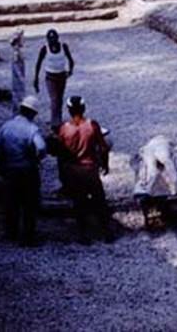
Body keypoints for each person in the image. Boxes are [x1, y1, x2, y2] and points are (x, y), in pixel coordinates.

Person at [57, 96, 112, 244]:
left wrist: (62, 175)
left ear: (68, 110)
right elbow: (103, 148)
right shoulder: (92, 125)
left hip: (73, 171)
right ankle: (107, 232)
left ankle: (83, 235)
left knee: (79, 202)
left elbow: (60, 153)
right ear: (83, 109)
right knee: (99, 201)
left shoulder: (64, 129)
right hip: (90, 169)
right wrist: (105, 165)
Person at [0, 96, 47, 246]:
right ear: (32, 113)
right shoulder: (32, 129)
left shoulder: (6, 126)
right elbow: (42, 147)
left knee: (11, 202)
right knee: (29, 204)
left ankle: (11, 233)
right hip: (27, 170)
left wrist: (3, 164)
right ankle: (28, 237)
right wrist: (37, 158)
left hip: (10, 170)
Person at [33, 28, 74, 129]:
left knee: (59, 98)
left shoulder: (64, 47)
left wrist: (70, 71)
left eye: (54, 38)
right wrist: (36, 79)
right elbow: (38, 64)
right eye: (50, 39)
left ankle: (58, 118)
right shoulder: (44, 49)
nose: (52, 41)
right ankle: (54, 123)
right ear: (47, 40)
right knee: (54, 99)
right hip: (50, 77)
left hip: (62, 76)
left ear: (57, 38)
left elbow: (71, 60)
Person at [9, 29, 27, 105]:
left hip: (19, 77)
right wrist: (21, 78)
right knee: (18, 96)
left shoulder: (18, 51)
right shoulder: (16, 52)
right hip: (18, 79)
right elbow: (16, 67)